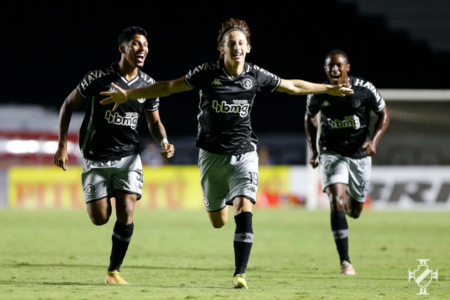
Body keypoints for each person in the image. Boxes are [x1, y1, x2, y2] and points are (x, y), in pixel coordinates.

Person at [100, 19, 353, 289]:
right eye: (231, 43)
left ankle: (239, 274)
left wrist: (329, 89)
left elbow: (293, 86)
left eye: (241, 43)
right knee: (218, 221)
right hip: (211, 157)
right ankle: (225, 203)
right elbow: (169, 87)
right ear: (221, 48)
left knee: (244, 207)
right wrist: (128, 95)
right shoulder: (207, 72)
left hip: (244, 154)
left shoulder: (255, 75)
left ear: (248, 48)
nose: (237, 47)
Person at [54, 26, 175, 284]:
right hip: (96, 158)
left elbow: (154, 123)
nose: (142, 49)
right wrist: (62, 145)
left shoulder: (148, 85)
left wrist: (164, 140)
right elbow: (67, 105)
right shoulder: (98, 77)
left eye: (145, 45)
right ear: (123, 48)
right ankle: (101, 195)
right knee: (99, 218)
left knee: (127, 209)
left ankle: (113, 271)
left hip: (129, 158)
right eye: (136, 44)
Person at [305, 49, 390, 275]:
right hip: (332, 152)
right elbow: (310, 117)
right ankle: (345, 262)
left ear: (347, 68)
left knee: (354, 211)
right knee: (336, 200)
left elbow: (384, 114)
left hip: (359, 154)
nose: (334, 69)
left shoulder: (364, 89)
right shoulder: (319, 93)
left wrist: (374, 141)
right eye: (330, 66)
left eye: (338, 65)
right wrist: (314, 150)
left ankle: (351, 209)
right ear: (325, 69)